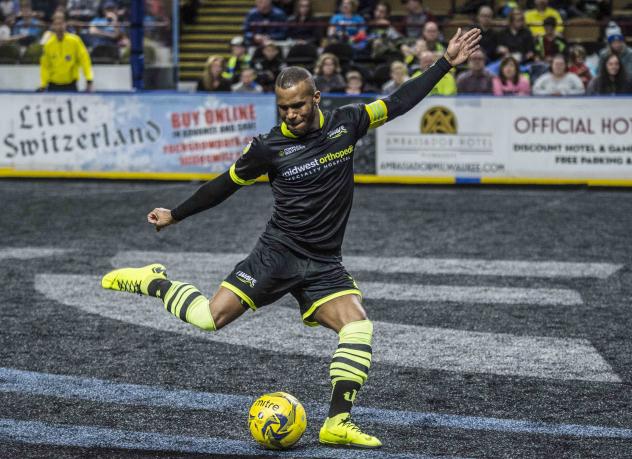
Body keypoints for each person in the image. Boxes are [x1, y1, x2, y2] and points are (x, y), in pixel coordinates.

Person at [101, 26, 481, 451]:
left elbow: (399, 101)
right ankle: (155, 281)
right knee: (210, 319)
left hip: (323, 263)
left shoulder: (348, 122)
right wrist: (175, 214)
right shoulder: (267, 148)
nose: (292, 115)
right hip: (277, 254)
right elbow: (223, 185)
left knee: (358, 327)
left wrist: (445, 63)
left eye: (298, 105)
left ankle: (337, 422)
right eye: (284, 108)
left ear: (316, 98)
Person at [39, 12, 93, 92]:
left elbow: (85, 60)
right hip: (53, 85)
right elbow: (45, 66)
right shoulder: (48, 44)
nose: (59, 27)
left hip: (70, 85)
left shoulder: (75, 41)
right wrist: (43, 85)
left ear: (65, 24)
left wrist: (89, 79)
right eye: (56, 24)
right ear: (53, 26)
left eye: (61, 23)